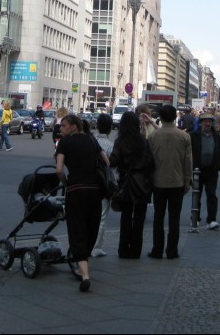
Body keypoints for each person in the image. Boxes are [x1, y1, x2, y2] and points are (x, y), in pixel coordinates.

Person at [55, 114, 106, 292]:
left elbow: (59, 170)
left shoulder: (64, 143)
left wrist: (65, 182)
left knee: (77, 229)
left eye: (63, 126)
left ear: (73, 127)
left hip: (75, 190)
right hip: (94, 190)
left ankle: (84, 274)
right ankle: (82, 264)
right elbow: (106, 161)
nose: (60, 129)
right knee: (91, 227)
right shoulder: (92, 140)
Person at [147, 104, 192, 259]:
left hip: (158, 182)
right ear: (175, 117)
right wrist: (187, 181)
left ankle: (157, 250)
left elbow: (149, 161)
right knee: (174, 218)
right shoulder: (184, 137)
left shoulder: (153, 136)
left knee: (158, 217)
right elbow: (188, 162)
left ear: (161, 117)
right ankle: (172, 250)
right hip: (177, 182)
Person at [110, 112, 154, 259]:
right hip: (142, 182)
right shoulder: (143, 141)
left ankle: (123, 249)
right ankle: (136, 250)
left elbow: (114, 161)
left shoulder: (120, 141)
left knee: (126, 216)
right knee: (140, 218)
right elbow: (151, 163)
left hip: (126, 182)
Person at [190, 113, 220, 230]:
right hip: (197, 171)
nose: (207, 123)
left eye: (209, 121)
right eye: (205, 121)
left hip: (211, 170)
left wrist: (218, 165)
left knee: (211, 195)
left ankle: (212, 219)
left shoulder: (217, 137)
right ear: (200, 123)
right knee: (196, 195)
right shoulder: (193, 136)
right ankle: (196, 218)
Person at [91, 113, 114, 258]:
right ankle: (96, 247)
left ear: (97, 126)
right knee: (101, 217)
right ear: (110, 128)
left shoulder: (90, 141)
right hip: (104, 185)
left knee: (88, 215)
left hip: (88, 182)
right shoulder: (111, 146)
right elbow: (112, 167)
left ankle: (86, 243)